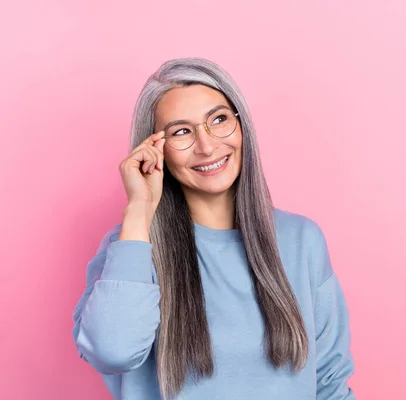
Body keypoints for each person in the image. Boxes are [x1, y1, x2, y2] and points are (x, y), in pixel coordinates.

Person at [72, 57, 355, 400]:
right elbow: (112, 351)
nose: (206, 146)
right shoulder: (130, 248)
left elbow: (329, 383)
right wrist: (138, 210)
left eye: (218, 120)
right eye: (181, 132)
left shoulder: (301, 241)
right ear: (155, 149)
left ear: (241, 125)